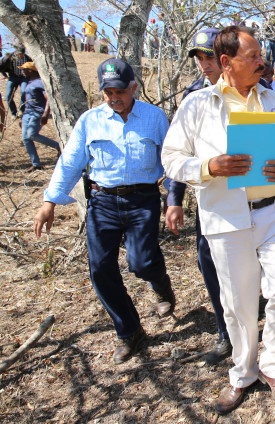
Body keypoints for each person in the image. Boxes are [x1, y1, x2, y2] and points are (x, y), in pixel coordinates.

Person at [161, 25, 275, 414]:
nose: (262, 61)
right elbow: (171, 158)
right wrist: (209, 166)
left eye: (261, 54)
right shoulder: (197, 105)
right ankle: (242, 373)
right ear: (226, 62)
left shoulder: (271, 97)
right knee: (238, 303)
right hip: (226, 218)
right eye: (253, 56)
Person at [33, 58, 176, 364]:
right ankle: (130, 330)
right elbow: (71, 161)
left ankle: (161, 284)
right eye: (108, 92)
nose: (114, 97)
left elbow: (171, 159)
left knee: (142, 262)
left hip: (142, 200)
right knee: (100, 268)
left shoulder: (154, 117)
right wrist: (50, 202)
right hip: (103, 202)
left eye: (119, 91)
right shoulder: (90, 120)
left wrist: (175, 198)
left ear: (133, 87)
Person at [165, 28, 232, 365]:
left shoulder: (256, 90)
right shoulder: (192, 98)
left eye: (210, 57)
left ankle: (245, 315)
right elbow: (181, 152)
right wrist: (174, 200)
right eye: (199, 58)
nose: (204, 64)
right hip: (210, 199)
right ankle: (225, 331)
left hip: (252, 199)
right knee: (208, 260)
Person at [19, 62, 59, 172]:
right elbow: (28, 101)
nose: (22, 72)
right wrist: (22, 116)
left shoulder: (40, 82)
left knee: (32, 134)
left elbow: (49, 99)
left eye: (24, 69)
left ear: (30, 70)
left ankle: (58, 146)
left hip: (37, 113)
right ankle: (36, 164)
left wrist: (45, 114)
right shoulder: (29, 82)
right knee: (26, 138)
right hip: (28, 113)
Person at [0, 46, 31, 118]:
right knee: (8, 96)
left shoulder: (27, 58)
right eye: (19, 54)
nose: (21, 55)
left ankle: (21, 110)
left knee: (24, 92)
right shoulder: (9, 57)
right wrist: (4, 75)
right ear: (16, 52)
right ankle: (13, 113)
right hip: (13, 77)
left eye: (22, 54)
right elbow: (1, 66)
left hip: (24, 77)